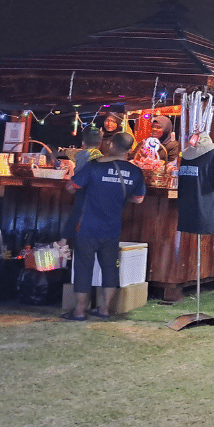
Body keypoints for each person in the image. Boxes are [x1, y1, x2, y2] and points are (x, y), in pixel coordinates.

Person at [63, 132, 145, 321]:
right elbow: (139, 199)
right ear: (129, 149)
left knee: (83, 268)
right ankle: (104, 309)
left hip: (87, 227)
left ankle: (80, 311)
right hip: (112, 228)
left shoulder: (94, 167)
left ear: (111, 145)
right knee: (110, 269)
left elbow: (71, 186)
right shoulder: (135, 172)